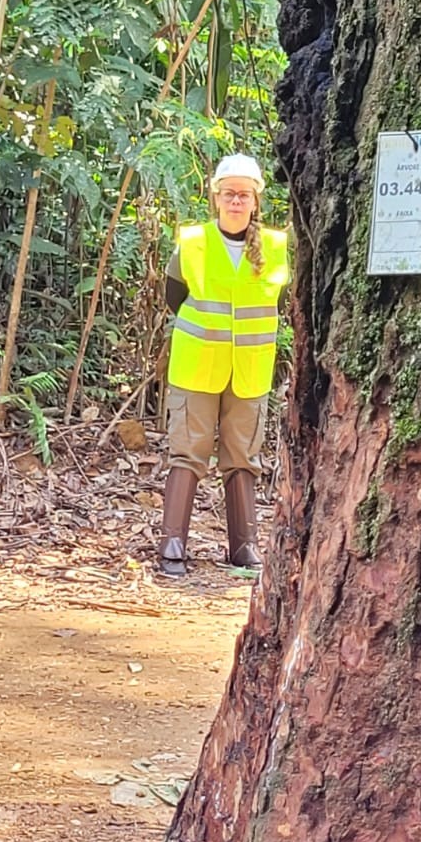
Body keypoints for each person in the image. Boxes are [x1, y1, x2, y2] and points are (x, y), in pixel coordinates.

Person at [157, 154, 290, 577]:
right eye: (229, 193)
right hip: (198, 363)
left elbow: (281, 302)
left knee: (242, 455)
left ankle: (244, 547)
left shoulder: (274, 248)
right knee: (189, 450)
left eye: (244, 195)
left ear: (255, 201)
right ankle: (173, 543)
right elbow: (174, 295)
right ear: (215, 197)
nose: (236, 201)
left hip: (249, 367)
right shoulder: (193, 242)